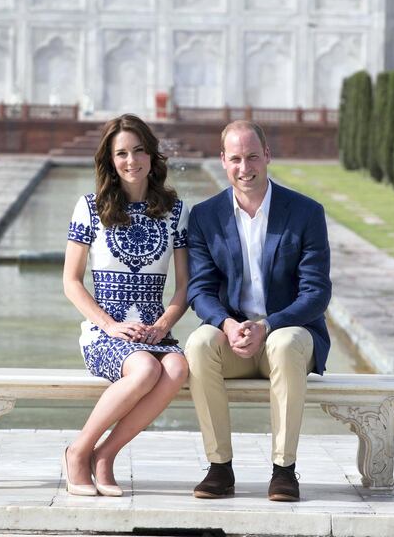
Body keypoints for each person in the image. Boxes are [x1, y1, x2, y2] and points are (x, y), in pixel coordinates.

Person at [185, 120, 332, 502]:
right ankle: (220, 468)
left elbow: (316, 293)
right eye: (235, 158)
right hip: (234, 340)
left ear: (267, 155)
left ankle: (284, 471)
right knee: (199, 342)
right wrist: (227, 324)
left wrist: (267, 326)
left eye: (252, 156)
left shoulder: (305, 212)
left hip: (289, 336)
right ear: (222, 161)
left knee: (283, 343)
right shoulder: (204, 216)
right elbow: (199, 290)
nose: (244, 167)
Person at [62, 114, 190, 496]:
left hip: (154, 330)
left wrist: (166, 323)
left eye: (138, 151)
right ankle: (77, 451)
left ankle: (105, 457)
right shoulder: (90, 207)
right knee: (146, 368)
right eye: (121, 153)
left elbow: (185, 286)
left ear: (152, 156)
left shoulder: (175, 212)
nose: (131, 160)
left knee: (178, 367)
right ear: (110, 160)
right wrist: (110, 325)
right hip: (105, 333)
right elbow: (71, 282)